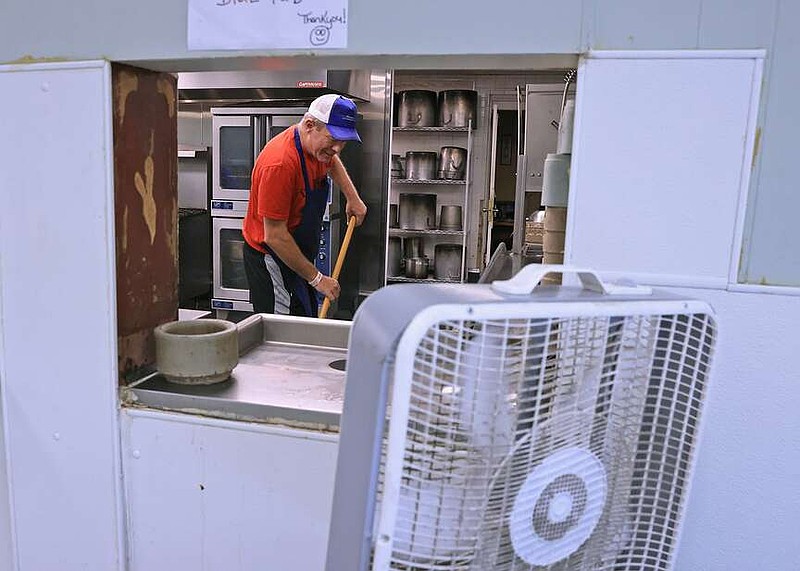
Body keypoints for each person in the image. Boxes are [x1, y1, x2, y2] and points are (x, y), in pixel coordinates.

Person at [242, 94, 367, 317]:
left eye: (343, 142)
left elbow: (332, 160)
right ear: (310, 125)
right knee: (282, 332)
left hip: (296, 252)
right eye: (333, 139)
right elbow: (275, 236)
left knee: (303, 319)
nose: (337, 148)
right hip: (273, 258)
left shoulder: (317, 148)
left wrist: (352, 197)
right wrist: (318, 279)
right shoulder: (279, 164)